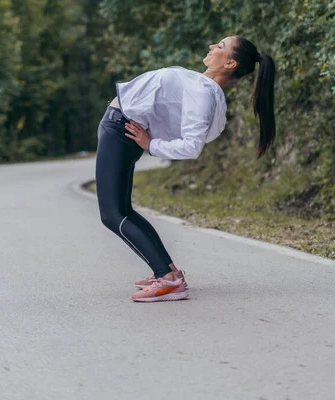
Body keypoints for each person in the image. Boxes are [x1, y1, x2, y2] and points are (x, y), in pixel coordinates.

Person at [95, 35, 276, 302]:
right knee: (123, 212)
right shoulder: (203, 87)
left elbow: (192, 146)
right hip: (122, 130)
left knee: (112, 215)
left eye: (220, 47)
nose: (212, 46)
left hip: (120, 131)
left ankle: (167, 280)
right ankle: (169, 272)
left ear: (230, 63)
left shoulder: (203, 93)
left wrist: (151, 144)